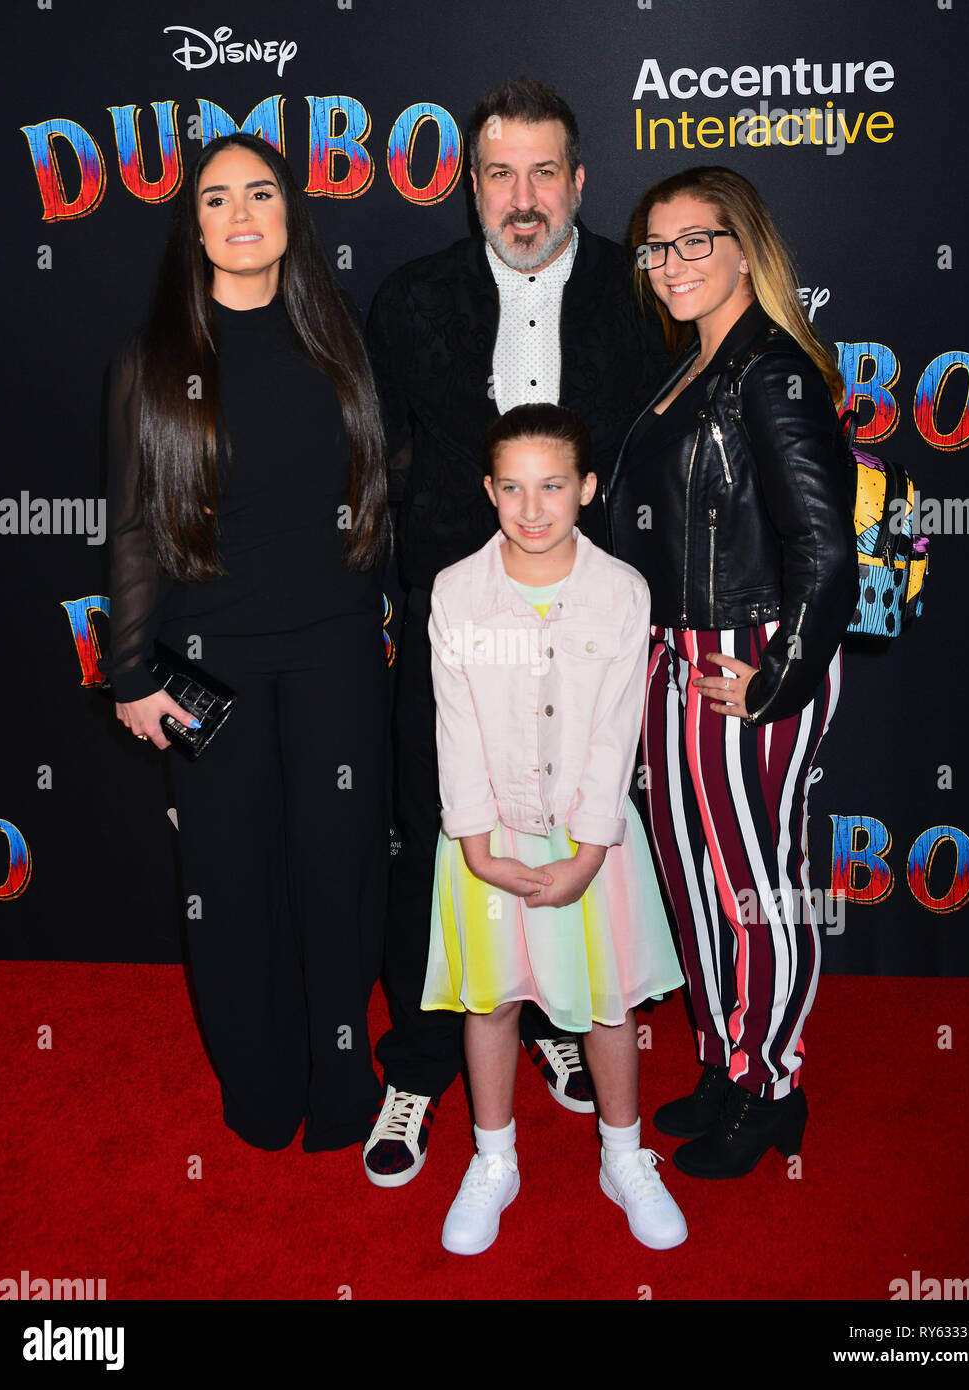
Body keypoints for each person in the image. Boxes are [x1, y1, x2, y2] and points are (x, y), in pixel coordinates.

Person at [363, 78, 671, 1186]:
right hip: (460, 624)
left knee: (581, 822)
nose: (523, 196)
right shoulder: (408, 301)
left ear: (581, 182)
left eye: (546, 172)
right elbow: (376, 470)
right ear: (471, 189)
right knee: (443, 829)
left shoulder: (641, 304)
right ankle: (419, 1055)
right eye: (500, 173)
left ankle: (552, 1016)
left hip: (592, 619)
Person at [102, 132, 390, 1152]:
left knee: (339, 866)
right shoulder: (153, 362)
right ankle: (262, 1089)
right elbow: (135, 525)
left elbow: (373, 495)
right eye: (215, 197)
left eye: (259, 192)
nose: (239, 212)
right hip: (204, 660)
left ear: (287, 214)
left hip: (336, 651)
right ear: (194, 226)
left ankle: (345, 1085)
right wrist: (130, 672)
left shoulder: (337, 339)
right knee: (231, 879)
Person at [606, 166, 858, 1179]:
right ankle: (725, 1058)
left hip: (747, 659)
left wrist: (777, 679)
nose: (670, 265)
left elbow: (824, 547)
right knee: (697, 887)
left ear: (745, 247)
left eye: (694, 242)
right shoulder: (687, 367)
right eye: (655, 248)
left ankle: (772, 1087)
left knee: (757, 887)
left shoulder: (770, 370)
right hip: (678, 660)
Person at [423, 403, 686, 1254]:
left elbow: (617, 730)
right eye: (511, 488)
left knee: (604, 1005)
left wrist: (586, 850)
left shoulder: (621, 592)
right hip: (486, 836)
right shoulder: (457, 591)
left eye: (552, 487)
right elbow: (453, 725)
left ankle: (621, 1154)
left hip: (588, 838)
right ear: (488, 490)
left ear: (587, 489)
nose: (531, 510)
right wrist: (475, 846)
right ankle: (493, 1158)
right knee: (489, 999)